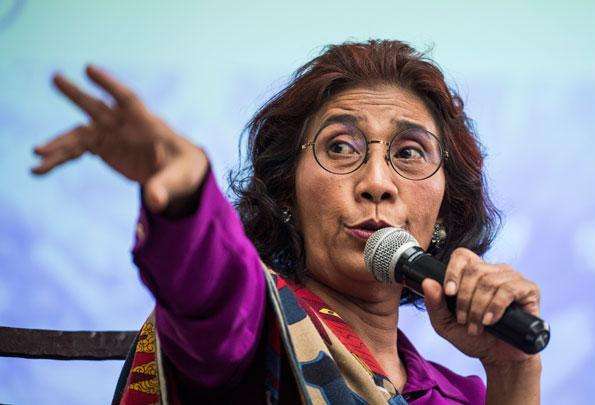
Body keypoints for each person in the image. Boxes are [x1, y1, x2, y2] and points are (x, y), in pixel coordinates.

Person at [31, 40, 542, 404]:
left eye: (409, 152)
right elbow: (215, 291)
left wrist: (512, 369)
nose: (376, 182)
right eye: (340, 147)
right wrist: (188, 196)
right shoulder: (258, 332)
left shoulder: (463, 395)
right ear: (286, 195)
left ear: (445, 211)